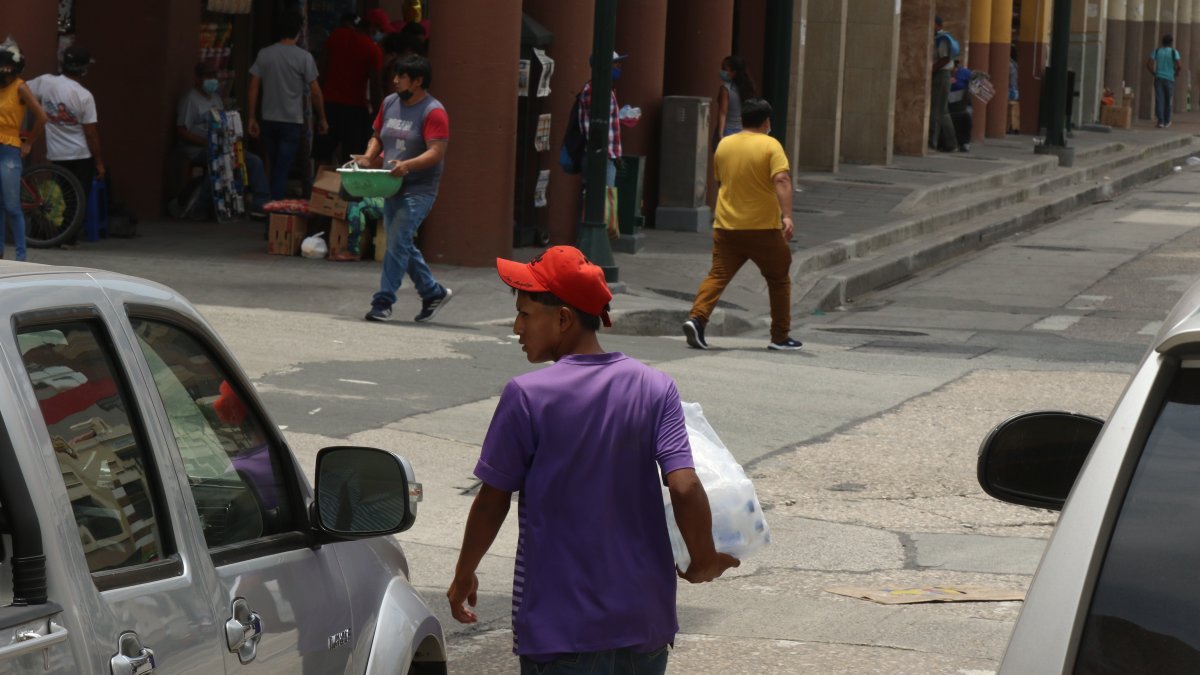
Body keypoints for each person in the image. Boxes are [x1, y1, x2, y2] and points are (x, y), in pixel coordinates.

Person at [447, 245, 739, 673]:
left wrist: (463, 575)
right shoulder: (656, 387)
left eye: (526, 314)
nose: (516, 327)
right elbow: (685, 485)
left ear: (563, 318)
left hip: (561, 631)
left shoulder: (527, 396)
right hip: (645, 626)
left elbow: (493, 500)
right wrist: (704, 561)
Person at [682, 98, 801, 352]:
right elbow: (781, 178)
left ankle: (697, 319)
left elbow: (720, 180)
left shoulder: (724, 145)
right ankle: (780, 336)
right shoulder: (771, 145)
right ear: (766, 122)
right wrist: (787, 215)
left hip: (726, 226)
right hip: (763, 229)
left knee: (717, 275)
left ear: (743, 120)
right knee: (779, 278)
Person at [357, 55, 453, 323]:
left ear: (419, 81)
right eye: (395, 76)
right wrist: (367, 157)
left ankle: (383, 302)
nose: (395, 81)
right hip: (390, 185)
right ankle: (432, 292)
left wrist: (408, 165)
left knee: (397, 242)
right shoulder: (389, 103)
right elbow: (377, 136)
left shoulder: (433, 111)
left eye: (401, 76)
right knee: (400, 243)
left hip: (418, 188)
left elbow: (436, 152)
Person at [26, 45, 103, 248]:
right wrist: (100, 162)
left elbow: (22, 90)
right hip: (80, 154)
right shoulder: (84, 96)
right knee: (79, 198)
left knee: (64, 193)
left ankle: (62, 235)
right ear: (83, 69)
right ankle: (69, 238)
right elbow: (91, 133)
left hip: (56, 154)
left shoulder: (45, 82)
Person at [247, 11, 329, 200]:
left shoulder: (265, 54)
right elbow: (315, 92)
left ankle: (269, 207)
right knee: (282, 168)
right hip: (292, 121)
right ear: (299, 31)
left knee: (275, 165)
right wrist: (322, 118)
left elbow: (253, 87)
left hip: (268, 119)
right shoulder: (304, 57)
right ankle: (274, 211)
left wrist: (252, 116)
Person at [174, 62, 270, 216]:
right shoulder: (190, 100)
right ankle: (200, 207)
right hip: (197, 149)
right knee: (219, 162)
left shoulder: (216, 99)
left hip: (221, 146)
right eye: (208, 76)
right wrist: (206, 142)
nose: (212, 80)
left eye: (214, 76)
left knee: (253, 161)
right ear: (198, 78)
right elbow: (182, 131)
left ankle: (260, 204)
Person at [0, 39, 47, 262]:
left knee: (11, 205)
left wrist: (28, 142)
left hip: (10, 149)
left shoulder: (19, 86)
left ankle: (21, 256)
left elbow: (41, 116)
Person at [317, 13, 382, 165]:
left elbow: (321, 69)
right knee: (352, 157)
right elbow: (375, 86)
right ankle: (347, 188)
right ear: (371, 28)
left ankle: (321, 187)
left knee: (323, 156)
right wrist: (380, 114)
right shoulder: (372, 50)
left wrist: (317, 106)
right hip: (355, 109)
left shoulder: (335, 36)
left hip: (329, 105)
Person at [578, 51, 627, 193]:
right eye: (615, 64)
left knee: (604, 204)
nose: (619, 67)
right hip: (599, 157)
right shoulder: (594, 90)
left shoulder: (606, 89)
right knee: (602, 204)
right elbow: (597, 119)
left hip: (607, 156)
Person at [930, 16, 958, 152]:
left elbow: (945, 59)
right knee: (943, 110)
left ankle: (933, 142)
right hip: (942, 75)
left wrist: (931, 70)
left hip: (941, 75)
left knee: (937, 110)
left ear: (939, 26)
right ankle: (950, 142)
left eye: (933, 24)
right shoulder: (938, 38)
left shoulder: (942, 39)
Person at [716, 55, 756, 140]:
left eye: (724, 69)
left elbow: (723, 112)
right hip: (744, 131)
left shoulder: (725, 89)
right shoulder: (747, 88)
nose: (721, 71)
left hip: (728, 131)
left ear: (734, 72)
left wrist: (720, 133)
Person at [1147, 34, 1182, 128]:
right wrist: (1176, 73)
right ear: (1171, 42)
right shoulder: (1174, 52)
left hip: (1158, 78)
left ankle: (1160, 121)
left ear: (1162, 42)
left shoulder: (1157, 51)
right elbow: (1179, 65)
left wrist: (1154, 73)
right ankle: (1167, 121)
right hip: (1169, 78)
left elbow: (1149, 64)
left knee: (1159, 99)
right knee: (1168, 100)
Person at [948, 61, 972, 152]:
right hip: (949, 103)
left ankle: (965, 142)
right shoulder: (945, 74)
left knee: (967, 117)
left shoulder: (965, 73)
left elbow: (976, 85)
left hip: (963, 103)